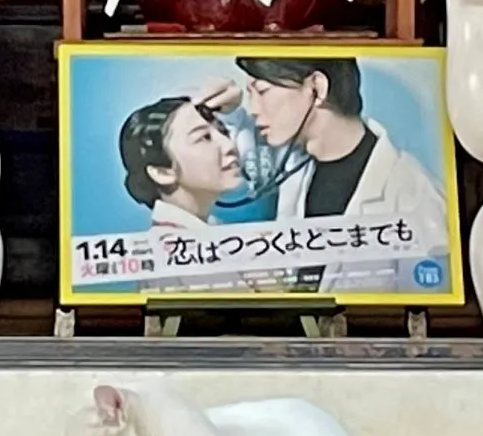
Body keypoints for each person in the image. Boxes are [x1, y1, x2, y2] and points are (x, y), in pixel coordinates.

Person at [236, 56, 449, 292]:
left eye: (262, 92)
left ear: (317, 88)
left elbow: (426, 306)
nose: (253, 109)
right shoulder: (293, 172)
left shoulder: (418, 198)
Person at [117, 96, 245, 230]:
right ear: (162, 172)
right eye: (205, 137)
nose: (229, 145)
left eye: (223, 131)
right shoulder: (167, 247)